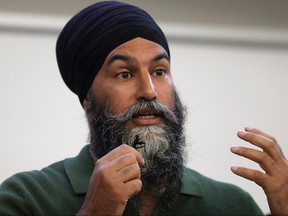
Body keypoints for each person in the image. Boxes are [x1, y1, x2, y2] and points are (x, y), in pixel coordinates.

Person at [0, 1, 287, 215]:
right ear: (86, 96)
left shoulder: (232, 205)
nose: (149, 91)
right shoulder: (26, 198)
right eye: (124, 74)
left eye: (160, 71)